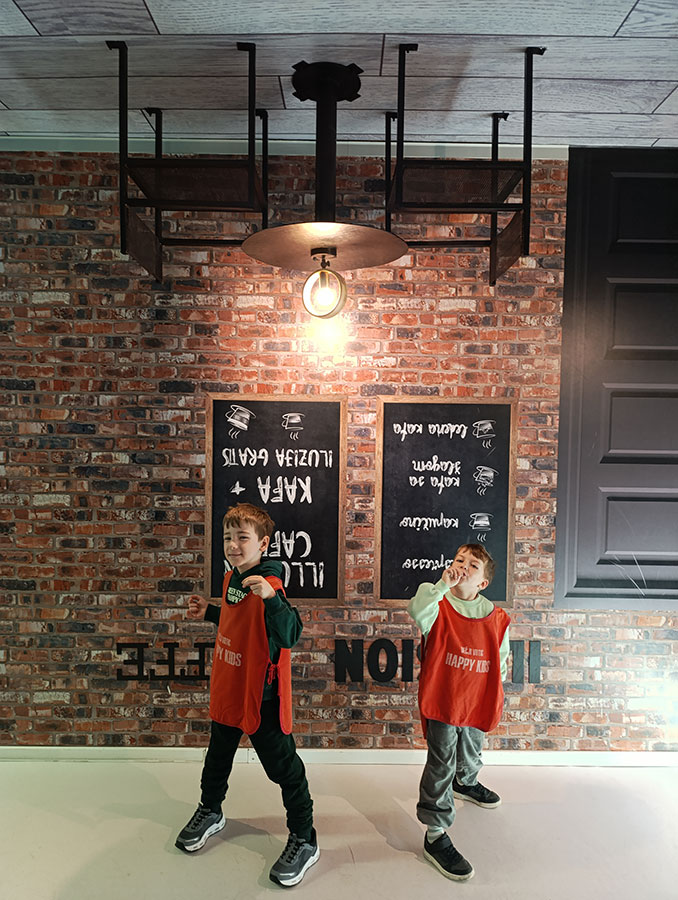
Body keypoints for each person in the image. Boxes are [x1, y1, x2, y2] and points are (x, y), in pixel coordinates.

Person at [175, 502, 318, 888]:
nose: (233, 545)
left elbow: (289, 635)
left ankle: (305, 838)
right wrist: (209, 611)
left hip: (261, 696)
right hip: (229, 686)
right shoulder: (231, 579)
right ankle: (210, 810)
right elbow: (238, 621)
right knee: (217, 758)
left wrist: (272, 598)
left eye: (242, 537)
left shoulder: (270, 584)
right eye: (228, 537)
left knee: (284, 769)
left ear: (263, 544)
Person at [407, 543, 510, 882]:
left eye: (472, 565)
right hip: (444, 698)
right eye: (459, 560)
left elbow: (501, 657)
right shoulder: (437, 602)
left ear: (483, 582)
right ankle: (435, 832)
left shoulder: (495, 616)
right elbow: (417, 609)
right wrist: (442, 585)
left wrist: (496, 688)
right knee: (441, 761)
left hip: (476, 697)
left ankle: (465, 782)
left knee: (471, 749)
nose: (463, 566)